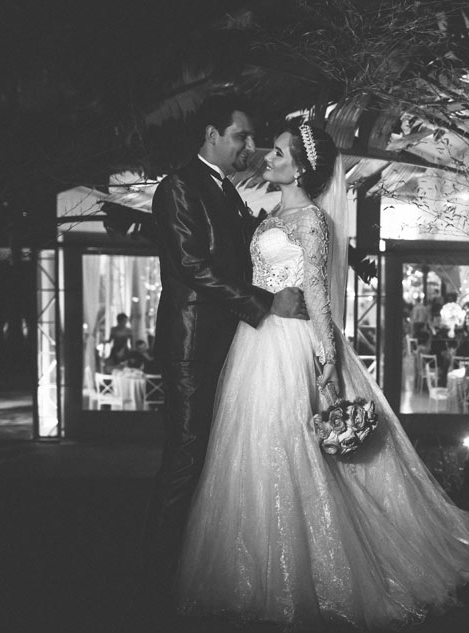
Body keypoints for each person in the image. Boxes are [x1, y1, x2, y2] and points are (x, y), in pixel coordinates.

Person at [176, 120, 469, 629]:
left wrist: (326, 360)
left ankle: (304, 570)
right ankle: (249, 571)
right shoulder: (272, 215)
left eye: (278, 152)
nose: (268, 158)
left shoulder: (312, 221)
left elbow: (318, 294)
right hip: (255, 341)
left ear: (301, 168)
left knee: (293, 447)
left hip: (291, 344)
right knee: (252, 446)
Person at [141, 94, 309, 612]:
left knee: (214, 459)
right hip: (192, 346)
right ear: (211, 134)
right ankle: (157, 581)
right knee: (187, 457)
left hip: (229, 343)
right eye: (241, 136)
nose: (250, 146)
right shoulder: (178, 187)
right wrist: (267, 303)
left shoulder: (225, 189)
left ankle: (197, 567)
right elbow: (193, 266)